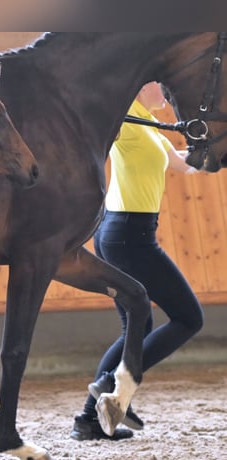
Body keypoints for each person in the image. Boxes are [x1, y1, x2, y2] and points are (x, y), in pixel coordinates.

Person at [70, 81, 205, 441]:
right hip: (128, 236)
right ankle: (114, 384)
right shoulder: (126, 121)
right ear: (141, 86)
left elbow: (188, 166)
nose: (165, 91)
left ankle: (89, 420)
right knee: (189, 317)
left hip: (130, 233)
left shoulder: (150, 128)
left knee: (137, 328)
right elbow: (96, 127)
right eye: (158, 84)